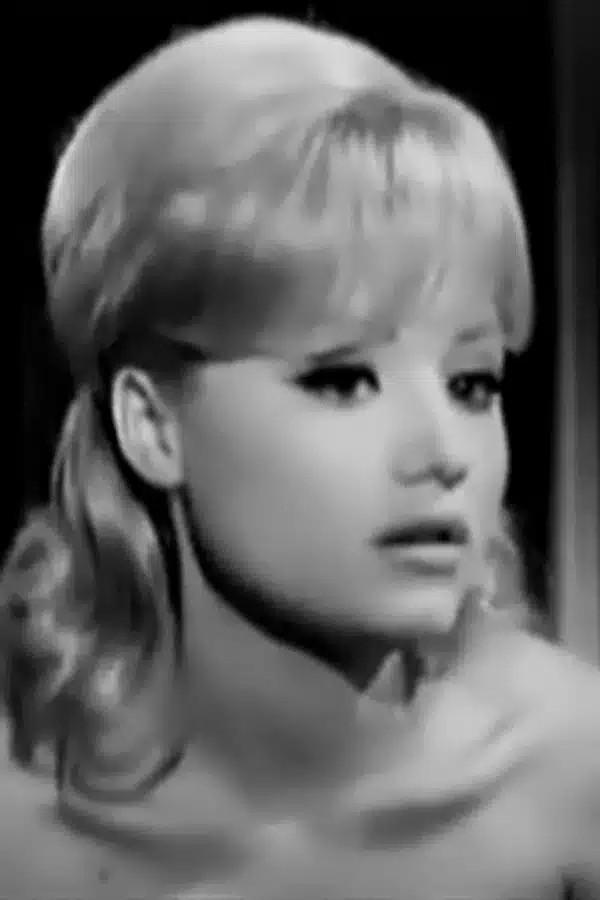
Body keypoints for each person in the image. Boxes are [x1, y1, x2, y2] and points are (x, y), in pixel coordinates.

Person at [0, 15, 598, 900]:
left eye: (472, 384)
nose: (445, 455)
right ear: (151, 425)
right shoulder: (20, 832)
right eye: (343, 380)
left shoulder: (573, 780)